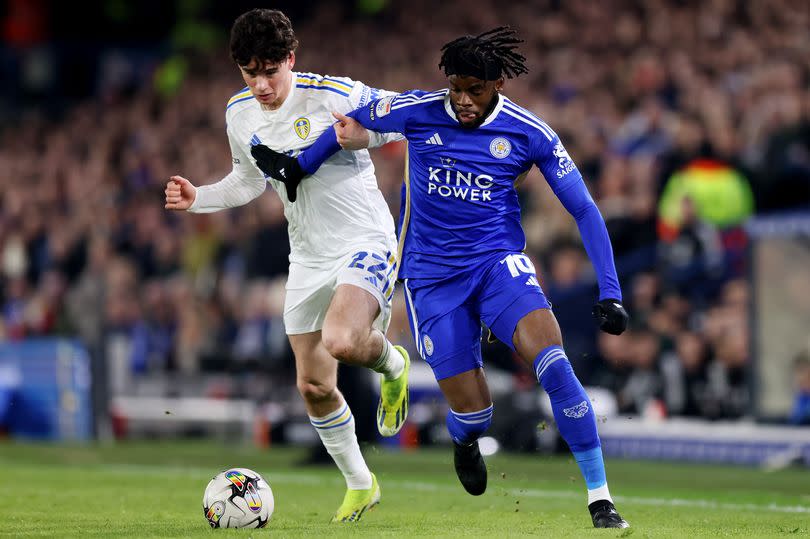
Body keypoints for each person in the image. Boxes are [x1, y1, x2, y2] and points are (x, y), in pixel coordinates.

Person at [250, 27, 631, 529]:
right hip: (431, 281)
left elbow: (583, 208)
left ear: (498, 85)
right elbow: (351, 123)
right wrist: (301, 167)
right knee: (476, 414)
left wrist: (611, 291)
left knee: (555, 364)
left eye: (476, 90)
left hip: (498, 266)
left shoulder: (530, 132)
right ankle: (465, 438)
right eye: (457, 88)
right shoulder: (419, 110)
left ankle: (600, 499)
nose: (464, 100)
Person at [163, 8, 411, 523]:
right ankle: (361, 484)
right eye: (249, 73)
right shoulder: (239, 113)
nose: (261, 84)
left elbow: (397, 122)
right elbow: (249, 180)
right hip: (308, 254)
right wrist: (199, 197)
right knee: (314, 386)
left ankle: (394, 365)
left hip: (365, 238)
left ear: (290, 59)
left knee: (343, 340)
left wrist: (362, 136)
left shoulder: (333, 93)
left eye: (270, 71)